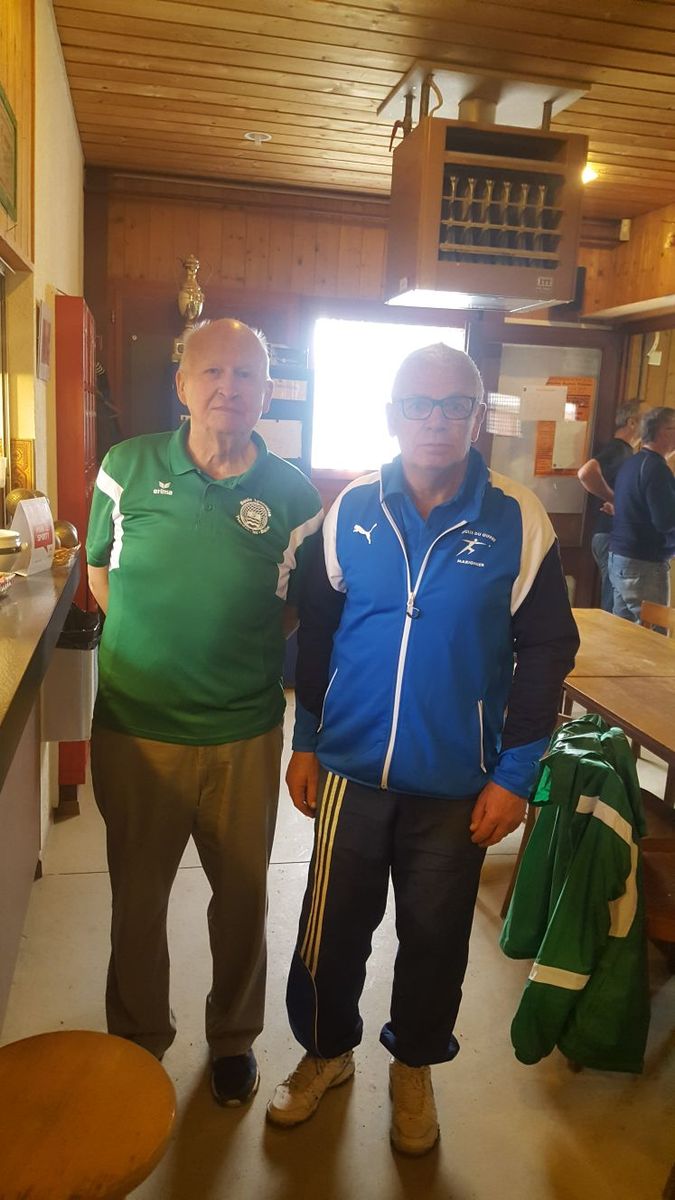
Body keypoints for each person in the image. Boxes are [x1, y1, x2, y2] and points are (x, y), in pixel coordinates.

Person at [267, 344, 579, 1154]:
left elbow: (547, 649)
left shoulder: (517, 519)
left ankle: (413, 1065)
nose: (435, 420)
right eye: (419, 403)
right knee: (330, 932)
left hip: (456, 781)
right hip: (349, 769)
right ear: (392, 415)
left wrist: (516, 775)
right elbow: (318, 633)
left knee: (435, 941)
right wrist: (305, 741)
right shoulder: (351, 509)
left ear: (478, 418)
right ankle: (325, 1052)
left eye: (454, 405)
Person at [86, 318, 322, 1106]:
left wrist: (225, 650)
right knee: (137, 900)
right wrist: (153, 647)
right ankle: (138, 1040)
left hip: (242, 734)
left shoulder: (293, 495)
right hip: (136, 731)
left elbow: (293, 607)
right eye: (212, 372)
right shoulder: (125, 467)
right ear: (182, 384)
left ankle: (233, 1039)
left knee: (244, 896)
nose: (229, 388)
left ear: (267, 390)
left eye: (246, 374)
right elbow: (99, 573)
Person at [608, 405, 675, 629]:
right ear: (664, 432)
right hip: (644, 565)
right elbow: (665, 521)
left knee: (623, 635)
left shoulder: (632, 463)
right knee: (653, 641)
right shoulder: (656, 469)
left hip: (620, 558)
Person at [577, 401, 640, 611]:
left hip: (609, 535)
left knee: (615, 602)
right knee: (614, 604)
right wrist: (616, 500)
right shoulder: (618, 449)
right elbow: (586, 473)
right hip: (609, 534)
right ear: (632, 422)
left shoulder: (628, 453)